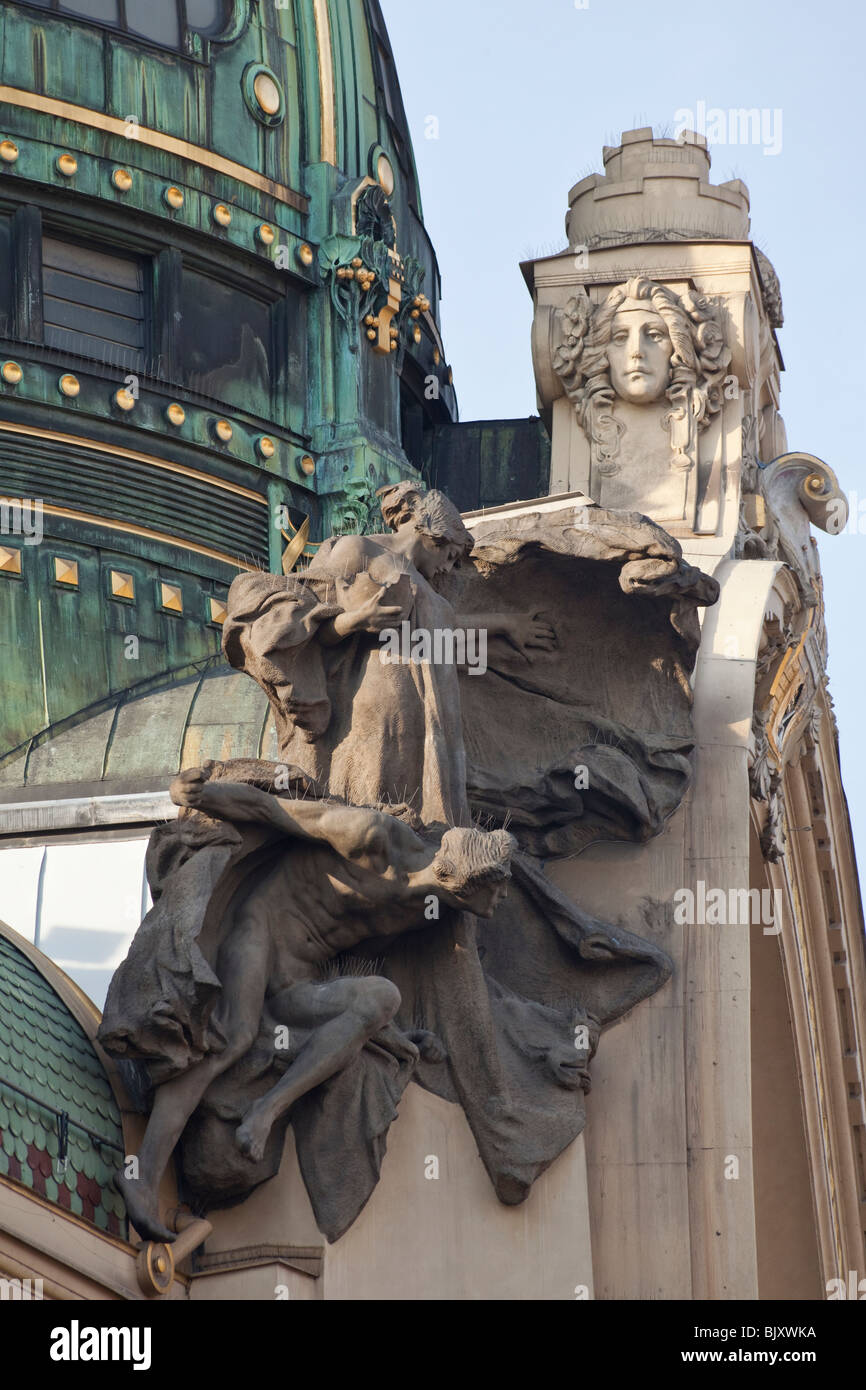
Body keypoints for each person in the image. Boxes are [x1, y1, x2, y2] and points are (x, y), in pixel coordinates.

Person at [115, 765, 514, 1244]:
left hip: (297, 980)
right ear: (461, 879)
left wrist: (398, 1037)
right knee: (234, 1037)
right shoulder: (374, 838)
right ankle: (142, 1175)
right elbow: (271, 810)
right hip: (258, 931)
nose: (503, 897)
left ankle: (264, 1110)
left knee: (382, 999)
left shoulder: (431, 908)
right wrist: (200, 796)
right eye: (496, 887)